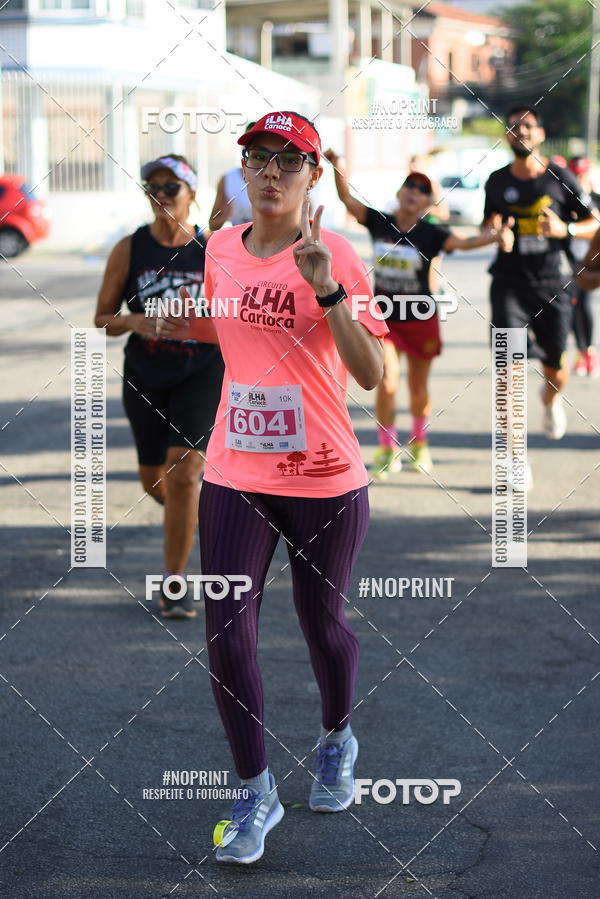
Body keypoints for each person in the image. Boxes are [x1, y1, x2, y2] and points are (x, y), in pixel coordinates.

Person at [157, 111, 387, 865]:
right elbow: (234, 340)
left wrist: (326, 292)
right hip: (236, 472)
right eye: (258, 157)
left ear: (314, 176)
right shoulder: (220, 248)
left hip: (324, 477)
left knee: (322, 624)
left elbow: (372, 372)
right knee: (225, 633)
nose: (271, 172)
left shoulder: (338, 253)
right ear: (243, 168)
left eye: (289, 162)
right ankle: (255, 790)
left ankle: (336, 738)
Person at [325, 151, 513, 478]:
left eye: (422, 189)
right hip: (383, 318)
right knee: (386, 382)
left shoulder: (432, 233)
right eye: (409, 186)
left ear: (428, 201)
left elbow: (466, 242)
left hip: (421, 317)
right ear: (399, 194)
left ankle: (419, 444)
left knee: (418, 388)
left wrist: (496, 236)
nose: (414, 191)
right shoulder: (378, 221)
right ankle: (386, 448)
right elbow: (346, 198)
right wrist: (337, 167)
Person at [94, 154, 224, 618]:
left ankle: (174, 580)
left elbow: (238, 309)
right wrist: (138, 320)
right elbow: (102, 318)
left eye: (172, 187)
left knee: (185, 471)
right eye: (153, 187)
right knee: (154, 480)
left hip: (202, 370)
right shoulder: (131, 249)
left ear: (191, 193)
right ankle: (197, 522)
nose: (162, 195)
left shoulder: (212, 249)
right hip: (146, 374)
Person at [482, 106, 597, 443]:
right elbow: (488, 222)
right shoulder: (497, 180)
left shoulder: (561, 177)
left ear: (541, 134)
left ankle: (550, 401)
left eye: (528, 126)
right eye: (514, 126)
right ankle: (515, 457)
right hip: (509, 284)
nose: (521, 131)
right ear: (506, 136)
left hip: (554, 284)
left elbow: (595, 223)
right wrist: (495, 233)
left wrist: (566, 229)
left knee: (557, 371)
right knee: (509, 373)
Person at [567, 157, 599, 377]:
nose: (578, 179)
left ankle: (589, 352)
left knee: (585, 304)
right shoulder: (565, 198)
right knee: (571, 306)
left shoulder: (596, 199)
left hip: (590, 261)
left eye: (582, 174)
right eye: (574, 175)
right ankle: (581, 351)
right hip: (569, 260)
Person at [208, 121, 257, 230]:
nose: (252, 146)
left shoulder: (277, 178)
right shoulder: (228, 179)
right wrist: (225, 216)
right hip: (240, 243)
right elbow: (212, 224)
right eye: (248, 142)